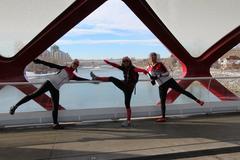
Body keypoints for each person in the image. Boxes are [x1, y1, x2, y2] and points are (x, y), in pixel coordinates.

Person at [10, 59, 90, 129]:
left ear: (77, 67)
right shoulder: (64, 68)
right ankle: (15, 106)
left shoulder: (72, 76)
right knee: (33, 95)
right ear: (72, 64)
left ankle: (55, 124)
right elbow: (51, 65)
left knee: (55, 106)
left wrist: (91, 81)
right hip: (49, 83)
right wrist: (39, 61)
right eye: (74, 63)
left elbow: (80, 79)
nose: (75, 65)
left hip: (56, 89)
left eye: (76, 64)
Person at [90, 57, 148, 127]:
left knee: (127, 104)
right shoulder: (123, 68)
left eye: (127, 61)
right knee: (112, 79)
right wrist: (109, 63)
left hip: (128, 88)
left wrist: (144, 70)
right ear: (123, 62)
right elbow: (115, 65)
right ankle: (128, 121)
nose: (126, 63)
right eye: (124, 61)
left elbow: (137, 69)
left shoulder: (132, 68)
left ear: (130, 62)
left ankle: (128, 121)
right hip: (125, 87)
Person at [147, 52, 204, 122]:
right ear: (149, 58)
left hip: (169, 81)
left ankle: (198, 100)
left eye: (154, 57)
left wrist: (158, 76)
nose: (153, 58)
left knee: (182, 91)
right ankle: (163, 117)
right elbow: (150, 78)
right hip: (161, 85)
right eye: (151, 57)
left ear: (156, 57)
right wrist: (152, 80)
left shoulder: (160, 64)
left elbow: (167, 73)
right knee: (162, 101)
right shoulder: (148, 68)